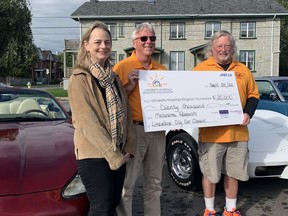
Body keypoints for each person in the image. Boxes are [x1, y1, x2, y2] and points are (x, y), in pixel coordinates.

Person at [68, 21, 136, 216]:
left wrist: (129, 147)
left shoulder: (113, 78)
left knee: (113, 202)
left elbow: (126, 113)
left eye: (107, 42)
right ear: (86, 44)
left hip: (118, 151)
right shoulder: (79, 78)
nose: (103, 46)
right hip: (93, 155)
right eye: (97, 42)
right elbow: (87, 123)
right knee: (101, 207)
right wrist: (113, 155)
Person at [193, 30, 259, 216]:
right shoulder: (200, 70)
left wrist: (248, 113)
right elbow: (189, 97)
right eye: (219, 46)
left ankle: (230, 210)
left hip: (238, 133)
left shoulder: (243, 70)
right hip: (211, 134)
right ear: (212, 49)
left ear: (233, 48)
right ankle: (210, 209)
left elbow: (253, 95)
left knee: (234, 173)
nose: (223, 49)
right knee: (210, 174)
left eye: (227, 46)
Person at [114, 22, 167, 216]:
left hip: (158, 131)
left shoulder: (161, 70)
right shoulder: (121, 67)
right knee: (127, 184)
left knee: (155, 183)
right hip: (133, 131)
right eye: (144, 38)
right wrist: (128, 86)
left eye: (152, 38)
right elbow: (112, 104)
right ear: (134, 42)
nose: (149, 42)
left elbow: (169, 101)